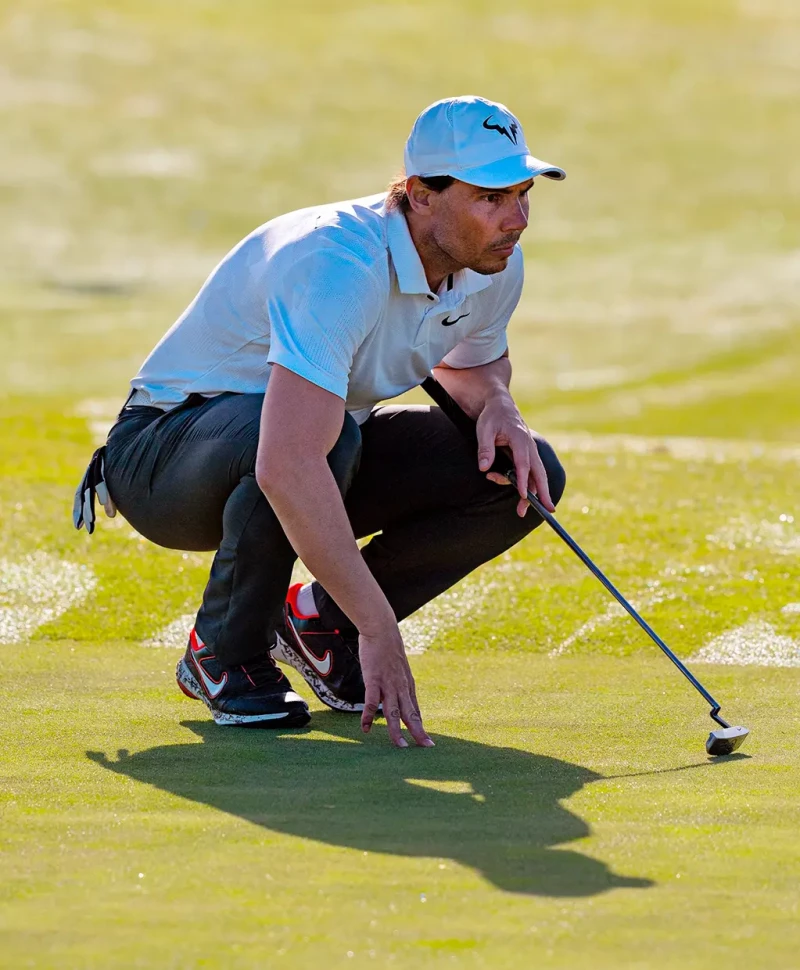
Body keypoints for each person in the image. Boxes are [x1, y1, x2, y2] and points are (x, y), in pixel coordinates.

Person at [74, 95, 567, 748]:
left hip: (310, 452)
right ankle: (224, 652)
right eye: (490, 198)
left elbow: (473, 369)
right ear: (421, 195)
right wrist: (380, 627)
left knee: (520, 472)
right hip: (162, 462)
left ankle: (321, 630)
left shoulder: (490, 262)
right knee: (325, 439)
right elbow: (288, 461)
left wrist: (500, 406)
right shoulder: (338, 262)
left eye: (522, 194)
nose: (516, 219)